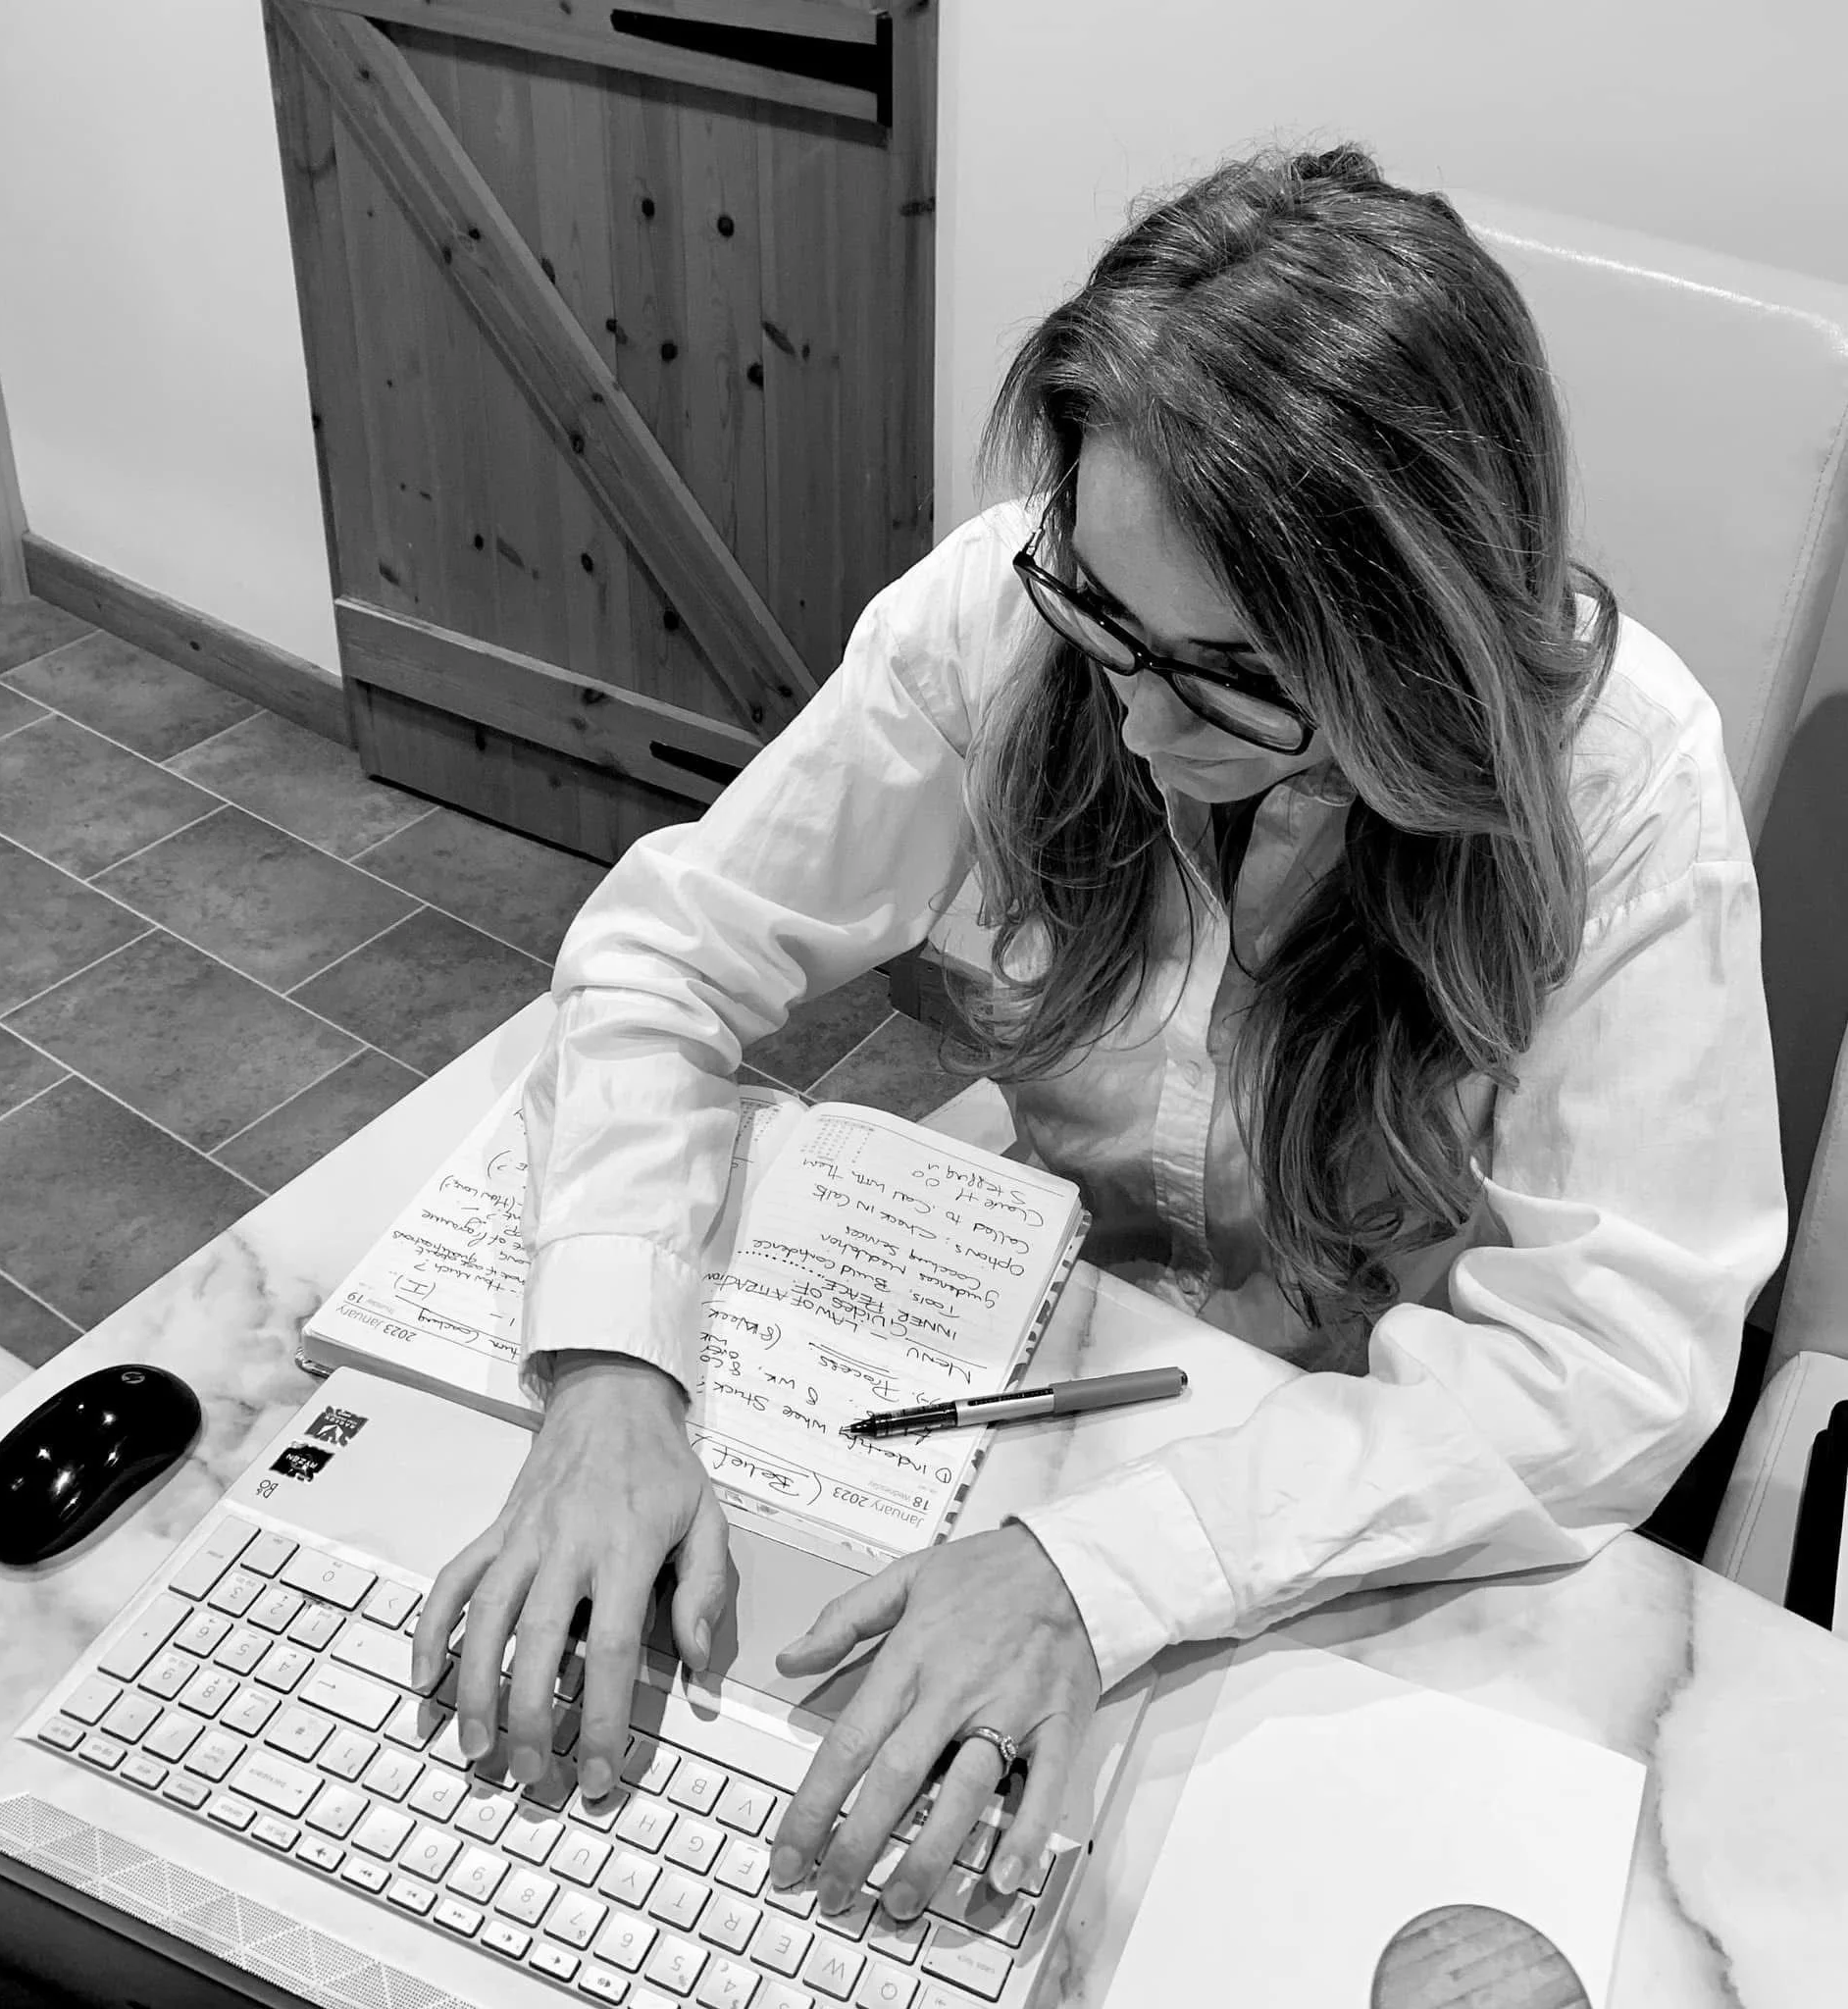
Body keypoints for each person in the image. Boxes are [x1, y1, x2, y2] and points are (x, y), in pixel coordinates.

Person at [412, 142, 1786, 1924]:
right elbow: (667, 957)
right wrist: (606, 1378)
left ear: (1422, 648)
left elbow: (1602, 1367)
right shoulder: (1005, 616)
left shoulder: (1622, 790)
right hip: (1048, 1339)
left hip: (1386, 1463)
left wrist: (1100, 1570)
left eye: (1228, 677)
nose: (1135, 726)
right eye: (1103, 620)